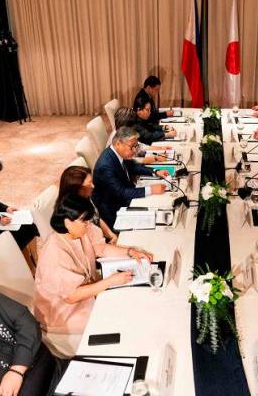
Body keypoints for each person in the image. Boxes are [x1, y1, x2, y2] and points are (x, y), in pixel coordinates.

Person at [34, 194, 152, 334]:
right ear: (67, 222)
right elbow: (71, 296)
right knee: (116, 320)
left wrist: (131, 252)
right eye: (85, 221)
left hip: (85, 292)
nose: (89, 225)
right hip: (63, 312)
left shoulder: (79, 230)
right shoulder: (54, 253)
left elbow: (100, 248)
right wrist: (109, 282)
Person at [92, 127, 169, 227]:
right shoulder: (105, 166)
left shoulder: (118, 153)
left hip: (127, 195)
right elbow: (121, 192)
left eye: (136, 146)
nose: (135, 151)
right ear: (118, 144)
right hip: (115, 210)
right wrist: (151, 190)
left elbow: (133, 166)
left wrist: (155, 171)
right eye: (132, 147)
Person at [56, 166, 118, 244]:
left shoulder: (84, 196)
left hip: (101, 241)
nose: (93, 186)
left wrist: (111, 235)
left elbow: (96, 218)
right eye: (89, 183)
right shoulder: (71, 213)